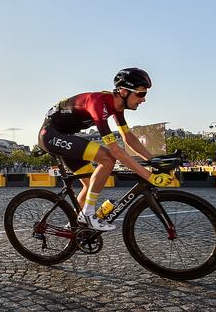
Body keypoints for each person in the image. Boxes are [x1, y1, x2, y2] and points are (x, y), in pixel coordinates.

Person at [38, 68, 173, 231]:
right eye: (140, 94)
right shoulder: (98, 103)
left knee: (89, 186)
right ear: (123, 91)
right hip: (51, 135)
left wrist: (153, 160)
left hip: (65, 136)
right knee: (108, 158)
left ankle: (74, 228)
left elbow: (128, 138)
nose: (143, 100)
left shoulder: (116, 107)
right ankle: (87, 215)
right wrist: (148, 176)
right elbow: (115, 151)